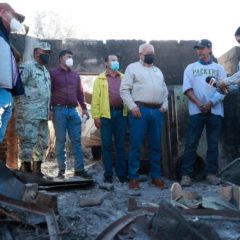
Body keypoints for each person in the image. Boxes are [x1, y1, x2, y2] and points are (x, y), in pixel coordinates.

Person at [120, 43, 168, 190]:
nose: (150, 55)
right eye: (147, 53)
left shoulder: (158, 71)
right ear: (140, 54)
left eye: (152, 52)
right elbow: (124, 90)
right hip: (140, 111)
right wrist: (133, 106)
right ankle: (133, 178)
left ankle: (156, 177)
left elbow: (165, 91)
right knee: (136, 145)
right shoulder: (132, 68)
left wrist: (164, 107)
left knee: (155, 146)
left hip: (157, 112)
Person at [180, 39, 227, 186]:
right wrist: (200, 104)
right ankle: (186, 175)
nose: (199, 51)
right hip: (196, 111)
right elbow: (187, 89)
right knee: (191, 143)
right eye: (197, 49)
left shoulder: (219, 68)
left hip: (215, 111)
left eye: (202, 48)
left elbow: (224, 89)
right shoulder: (190, 67)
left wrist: (211, 103)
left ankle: (211, 174)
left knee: (213, 144)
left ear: (209, 49)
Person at [50, 50, 91, 179]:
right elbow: (49, 92)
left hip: (73, 111)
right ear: (61, 59)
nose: (70, 59)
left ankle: (79, 169)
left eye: (72, 57)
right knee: (61, 141)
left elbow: (80, 93)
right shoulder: (53, 74)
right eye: (68, 57)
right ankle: (62, 170)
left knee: (76, 141)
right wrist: (50, 109)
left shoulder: (75, 76)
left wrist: (84, 108)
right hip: (58, 110)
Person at [15, 42, 52, 176]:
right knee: (27, 140)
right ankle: (25, 170)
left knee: (42, 141)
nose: (47, 55)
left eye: (49, 53)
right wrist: (22, 107)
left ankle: (37, 171)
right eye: (45, 52)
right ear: (37, 52)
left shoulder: (45, 71)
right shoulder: (27, 67)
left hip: (43, 113)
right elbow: (17, 87)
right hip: (29, 112)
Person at [91, 55, 128, 183]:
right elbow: (95, 99)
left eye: (117, 60)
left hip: (121, 114)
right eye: (113, 60)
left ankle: (121, 174)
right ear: (106, 63)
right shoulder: (100, 79)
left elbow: (128, 95)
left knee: (120, 145)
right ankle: (108, 174)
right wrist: (96, 117)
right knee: (106, 145)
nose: (115, 62)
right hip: (106, 115)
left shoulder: (123, 77)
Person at [0, 3, 25, 143]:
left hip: (6, 94)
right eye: (14, 17)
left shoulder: (5, 37)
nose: (17, 22)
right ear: (3, 12)